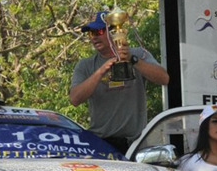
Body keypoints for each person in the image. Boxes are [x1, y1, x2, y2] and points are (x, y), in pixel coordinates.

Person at [69, 10, 169, 154]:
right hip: (101, 142)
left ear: (115, 31)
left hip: (136, 142)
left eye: (99, 32)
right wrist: (101, 70)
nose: (94, 37)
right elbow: (75, 99)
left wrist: (132, 60)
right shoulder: (85, 65)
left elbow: (164, 79)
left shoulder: (139, 54)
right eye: (91, 33)